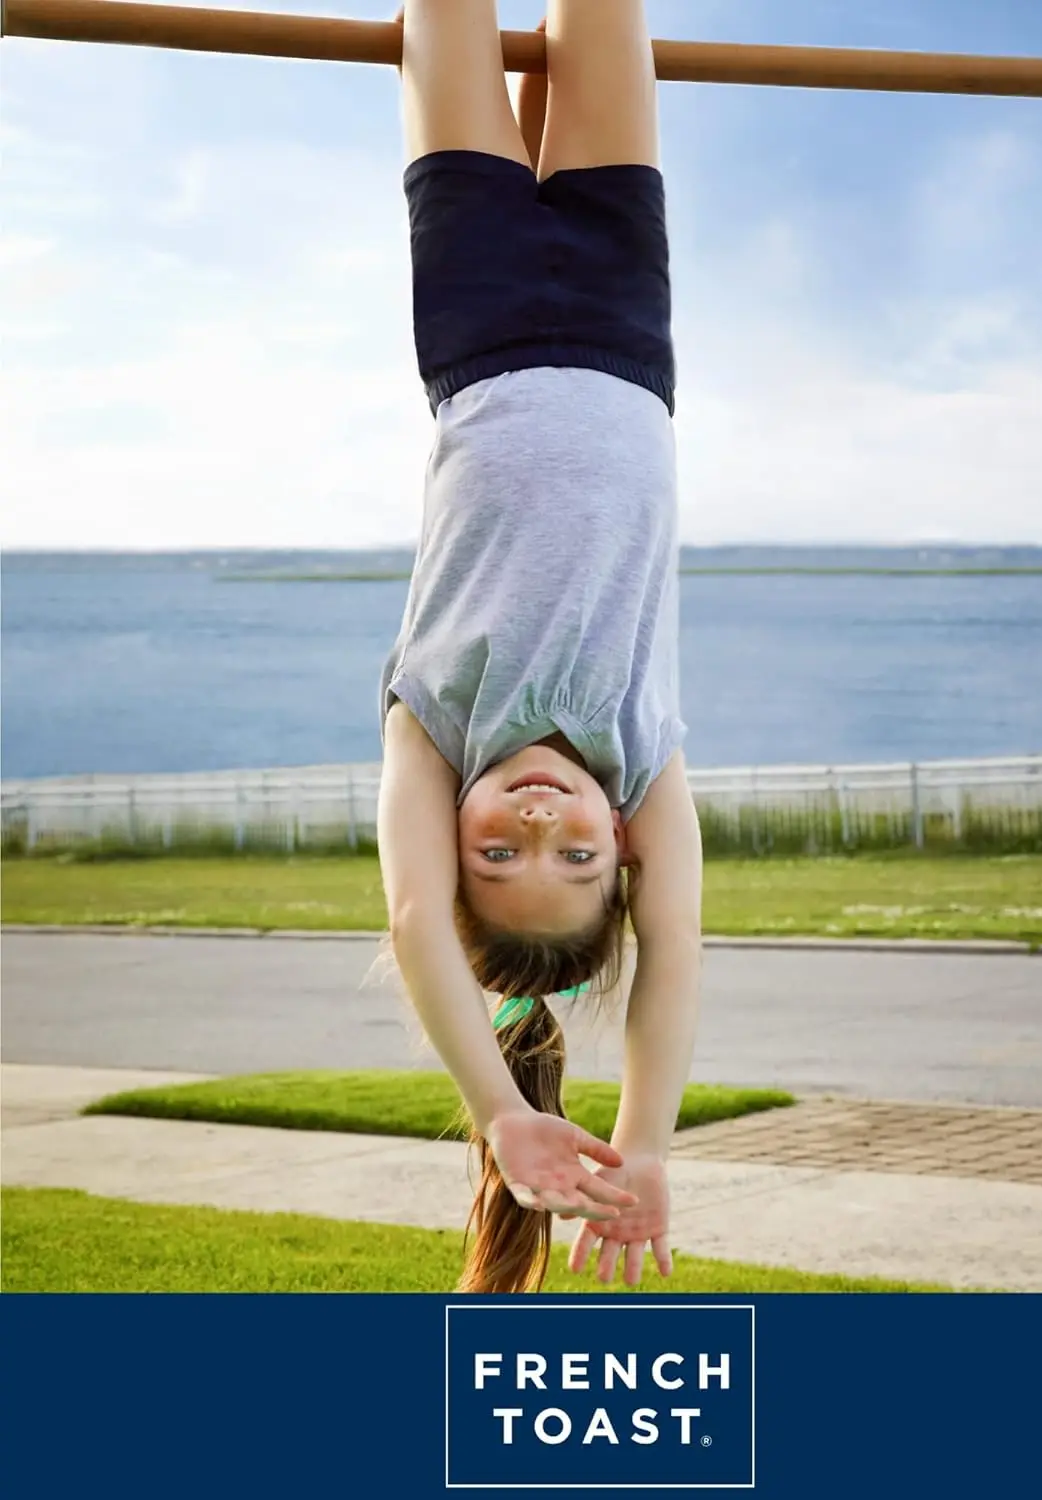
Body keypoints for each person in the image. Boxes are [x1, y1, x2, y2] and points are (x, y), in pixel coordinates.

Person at [377, 0, 702, 1294]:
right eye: (572, 855)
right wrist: (646, 1144)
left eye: (497, 854)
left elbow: (412, 917)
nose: (537, 820)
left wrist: (502, 1108)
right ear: (618, 846)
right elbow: (673, 948)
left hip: (481, 318)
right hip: (629, 328)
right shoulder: (641, 753)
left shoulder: (428, 728)